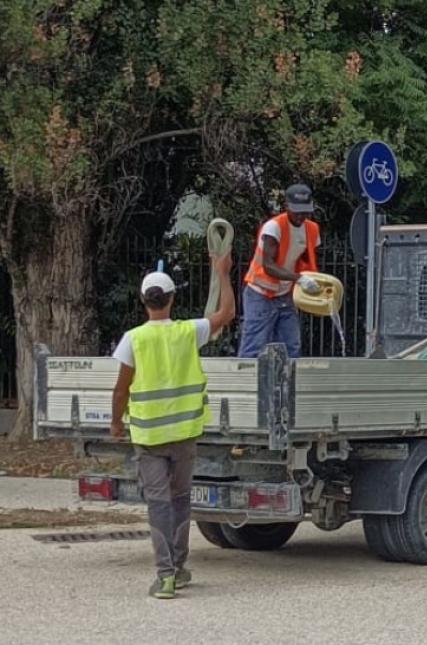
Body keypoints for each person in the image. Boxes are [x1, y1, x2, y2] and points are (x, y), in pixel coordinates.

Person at [109, 253, 236, 599]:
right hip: (184, 435)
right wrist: (222, 274)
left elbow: (121, 389)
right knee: (180, 501)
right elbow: (227, 314)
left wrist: (115, 423)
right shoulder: (187, 331)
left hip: (150, 437)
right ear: (171, 299)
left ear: (143, 300)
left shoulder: (133, 340)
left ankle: (164, 576)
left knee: (159, 504)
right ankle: (178, 570)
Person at [238, 183, 323, 358]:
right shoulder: (273, 227)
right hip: (260, 294)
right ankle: (248, 384)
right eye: (297, 211)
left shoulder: (312, 229)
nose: (301, 216)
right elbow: (268, 266)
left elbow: (307, 260)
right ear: (286, 207)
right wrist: (299, 278)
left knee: (291, 347)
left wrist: (311, 281)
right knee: (254, 347)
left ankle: (285, 385)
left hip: (285, 295)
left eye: (305, 211)